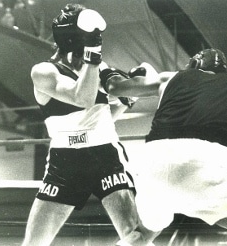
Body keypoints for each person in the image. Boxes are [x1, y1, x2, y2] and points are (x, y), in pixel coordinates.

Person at [104, 48, 227, 246]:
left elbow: (113, 86)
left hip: (152, 165)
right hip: (202, 164)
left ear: (193, 64)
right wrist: (218, 126)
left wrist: (104, 70)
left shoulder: (169, 78)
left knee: (144, 234)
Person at [22, 4, 156, 246]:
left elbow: (98, 117)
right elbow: (81, 98)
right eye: (90, 36)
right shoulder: (43, 72)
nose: (96, 41)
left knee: (135, 237)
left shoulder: (97, 68)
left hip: (105, 154)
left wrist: (129, 99)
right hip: (65, 162)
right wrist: (93, 55)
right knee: (34, 244)